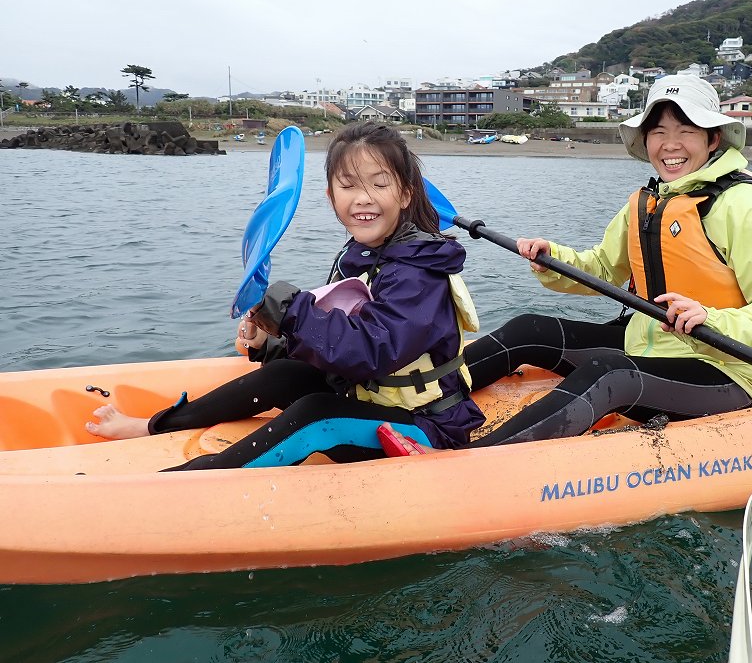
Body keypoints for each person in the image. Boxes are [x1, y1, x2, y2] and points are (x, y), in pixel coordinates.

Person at [382, 74, 752, 454]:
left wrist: (710, 319)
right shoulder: (651, 200)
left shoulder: (746, 205)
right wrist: (553, 259)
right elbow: (604, 269)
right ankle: (405, 402)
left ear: (713, 139)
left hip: (725, 370)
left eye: (686, 131)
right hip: (648, 343)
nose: (670, 144)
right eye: (658, 131)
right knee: (530, 328)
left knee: (609, 373)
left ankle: (471, 461)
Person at [86, 122, 484, 470]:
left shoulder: (418, 272)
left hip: (425, 427)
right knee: (284, 374)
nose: (362, 198)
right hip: (372, 398)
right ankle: (154, 426)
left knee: (316, 414)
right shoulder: (364, 254)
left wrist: (290, 310)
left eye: (379, 184)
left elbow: (370, 351)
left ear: (406, 195)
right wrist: (272, 340)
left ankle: (186, 483)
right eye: (348, 186)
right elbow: (337, 338)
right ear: (330, 197)